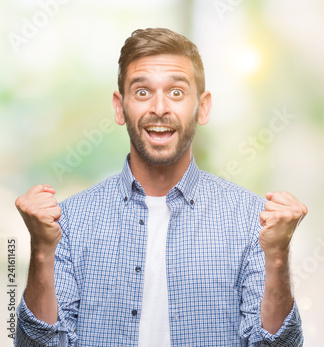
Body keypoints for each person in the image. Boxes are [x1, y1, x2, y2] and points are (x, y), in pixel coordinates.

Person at [14, 28, 307, 346]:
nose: (159, 108)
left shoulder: (253, 220)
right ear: (119, 106)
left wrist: (277, 255)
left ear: (203, 107)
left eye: (177, 93)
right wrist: (42, 249)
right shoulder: (68, 222)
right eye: (142, 92)